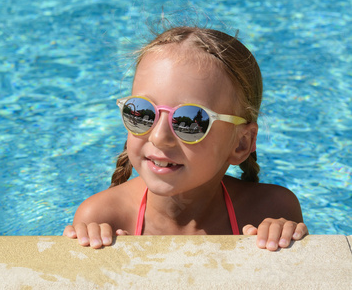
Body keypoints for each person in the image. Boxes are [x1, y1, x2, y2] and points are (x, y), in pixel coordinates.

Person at [63, 25, 308, 251]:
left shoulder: (270, 211)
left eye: (190, 121)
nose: (159, 137)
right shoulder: (102, 217)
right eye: (143, 113)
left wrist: (282, 239)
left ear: (241, 143)